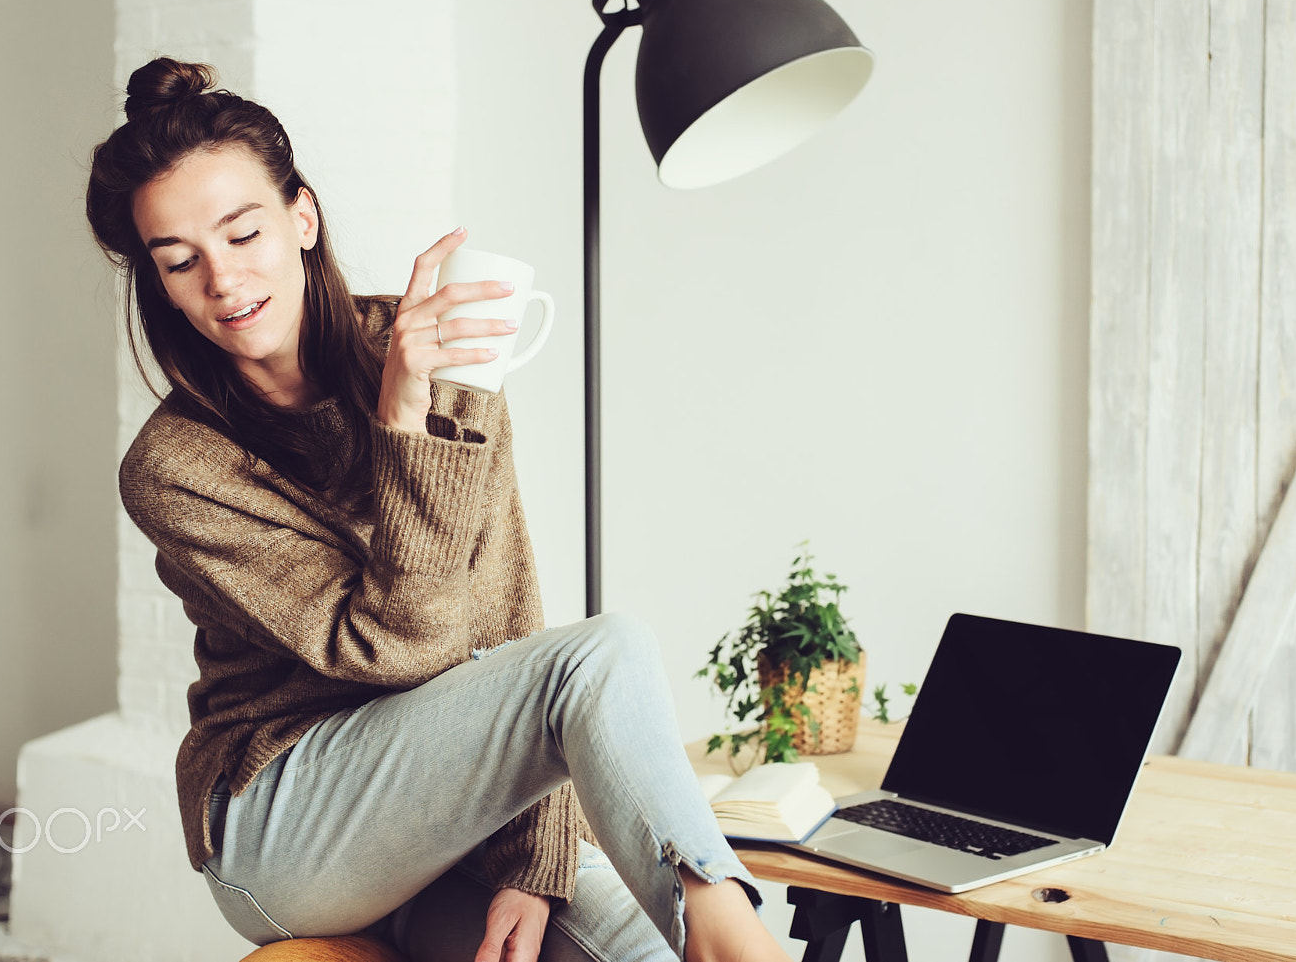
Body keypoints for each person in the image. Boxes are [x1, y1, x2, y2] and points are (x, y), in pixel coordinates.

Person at [86, 57, 788, 962]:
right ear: (160, 281)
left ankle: (726, 941)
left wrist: (536, 862)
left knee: (642, 946)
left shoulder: (431, 347)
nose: (222, 281)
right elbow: (397, 646)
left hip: (443, 802)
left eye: (243, 233)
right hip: (285, 821)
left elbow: (504, 617)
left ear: (302, 216)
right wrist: (402, 421)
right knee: (604, 651)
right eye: (180, 261)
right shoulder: (175, 467)